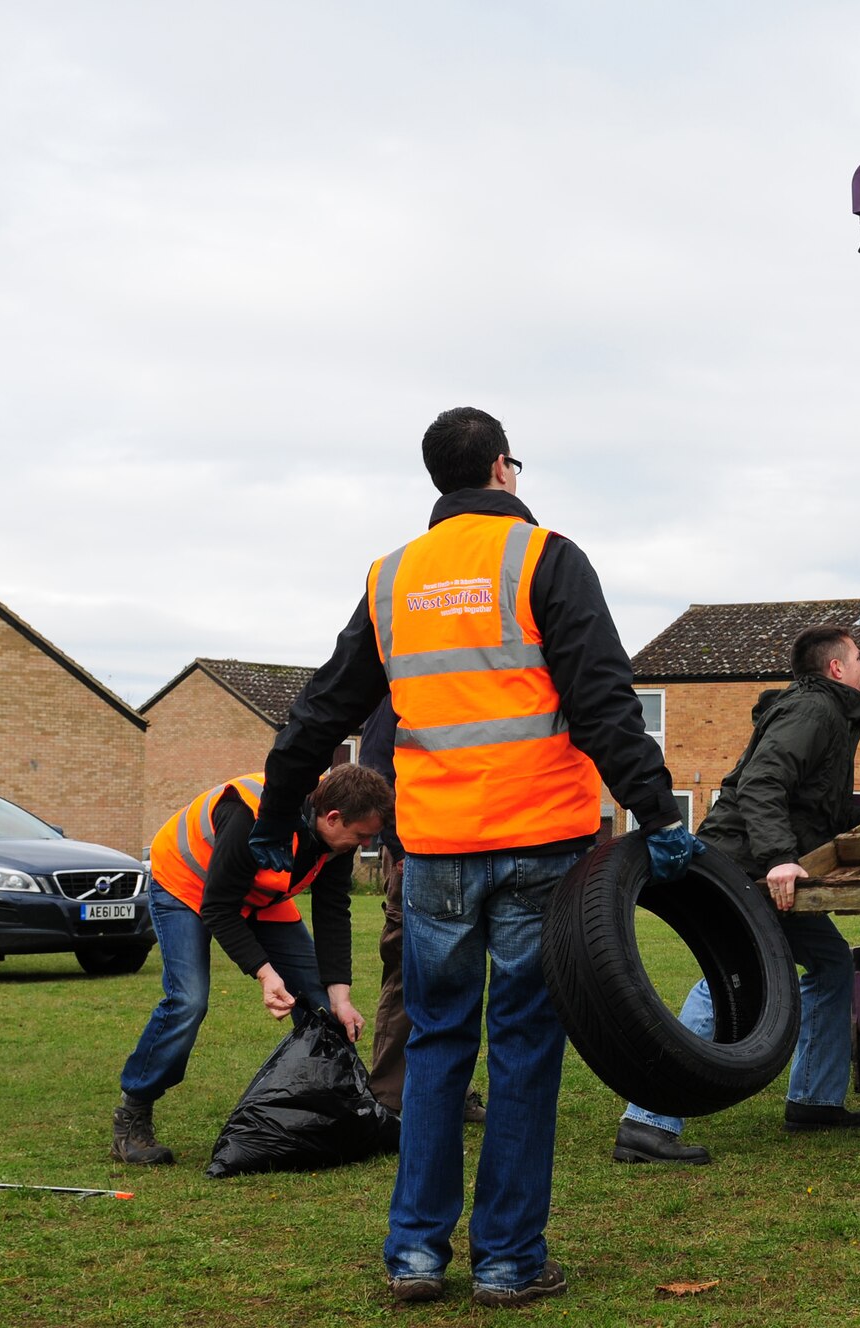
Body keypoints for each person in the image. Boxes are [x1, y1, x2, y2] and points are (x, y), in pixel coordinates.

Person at [250, 406, 703, 1309]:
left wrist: (276, 816)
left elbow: (320, 710)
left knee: (437, 1043)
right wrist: (658, 813)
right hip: (543, 842)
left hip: (438, 854)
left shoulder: (391, 581)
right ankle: (507, 1262)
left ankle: (415, 1254)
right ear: (503, 468)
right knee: (527, 1046)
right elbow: (605, 700)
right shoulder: (548, 559)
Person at [612, 625, 860, 1165]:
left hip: (769, 866)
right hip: (743, 865)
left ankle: (814, 1100)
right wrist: (781, 856)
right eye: (858, 660)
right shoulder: (815, 711)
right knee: (724, 981)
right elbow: (761, 783)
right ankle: (646, 1120)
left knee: (831, 965)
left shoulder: (833, 714)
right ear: (835, 670)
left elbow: (813, 805)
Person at [111, 764, 393, 1165]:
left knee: (319, 1003)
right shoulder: (251, 815)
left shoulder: (335, 840)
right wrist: (265, 973)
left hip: (258, 897)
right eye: (361, 836)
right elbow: (219, 909)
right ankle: (133, 1113)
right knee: (188, 1001)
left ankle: (325, 1112)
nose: (364, 843)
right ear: (332, 818)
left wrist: (340, 995)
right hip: (186, 885)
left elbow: (333, 910)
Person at [355, 697, 485, 1126]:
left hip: (472, 853)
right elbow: (374, 776)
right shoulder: (396, 693)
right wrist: (398, 846)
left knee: (460, 977)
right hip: (415, 859)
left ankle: (450, 1089)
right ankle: (390, 1098)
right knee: (407, 974)